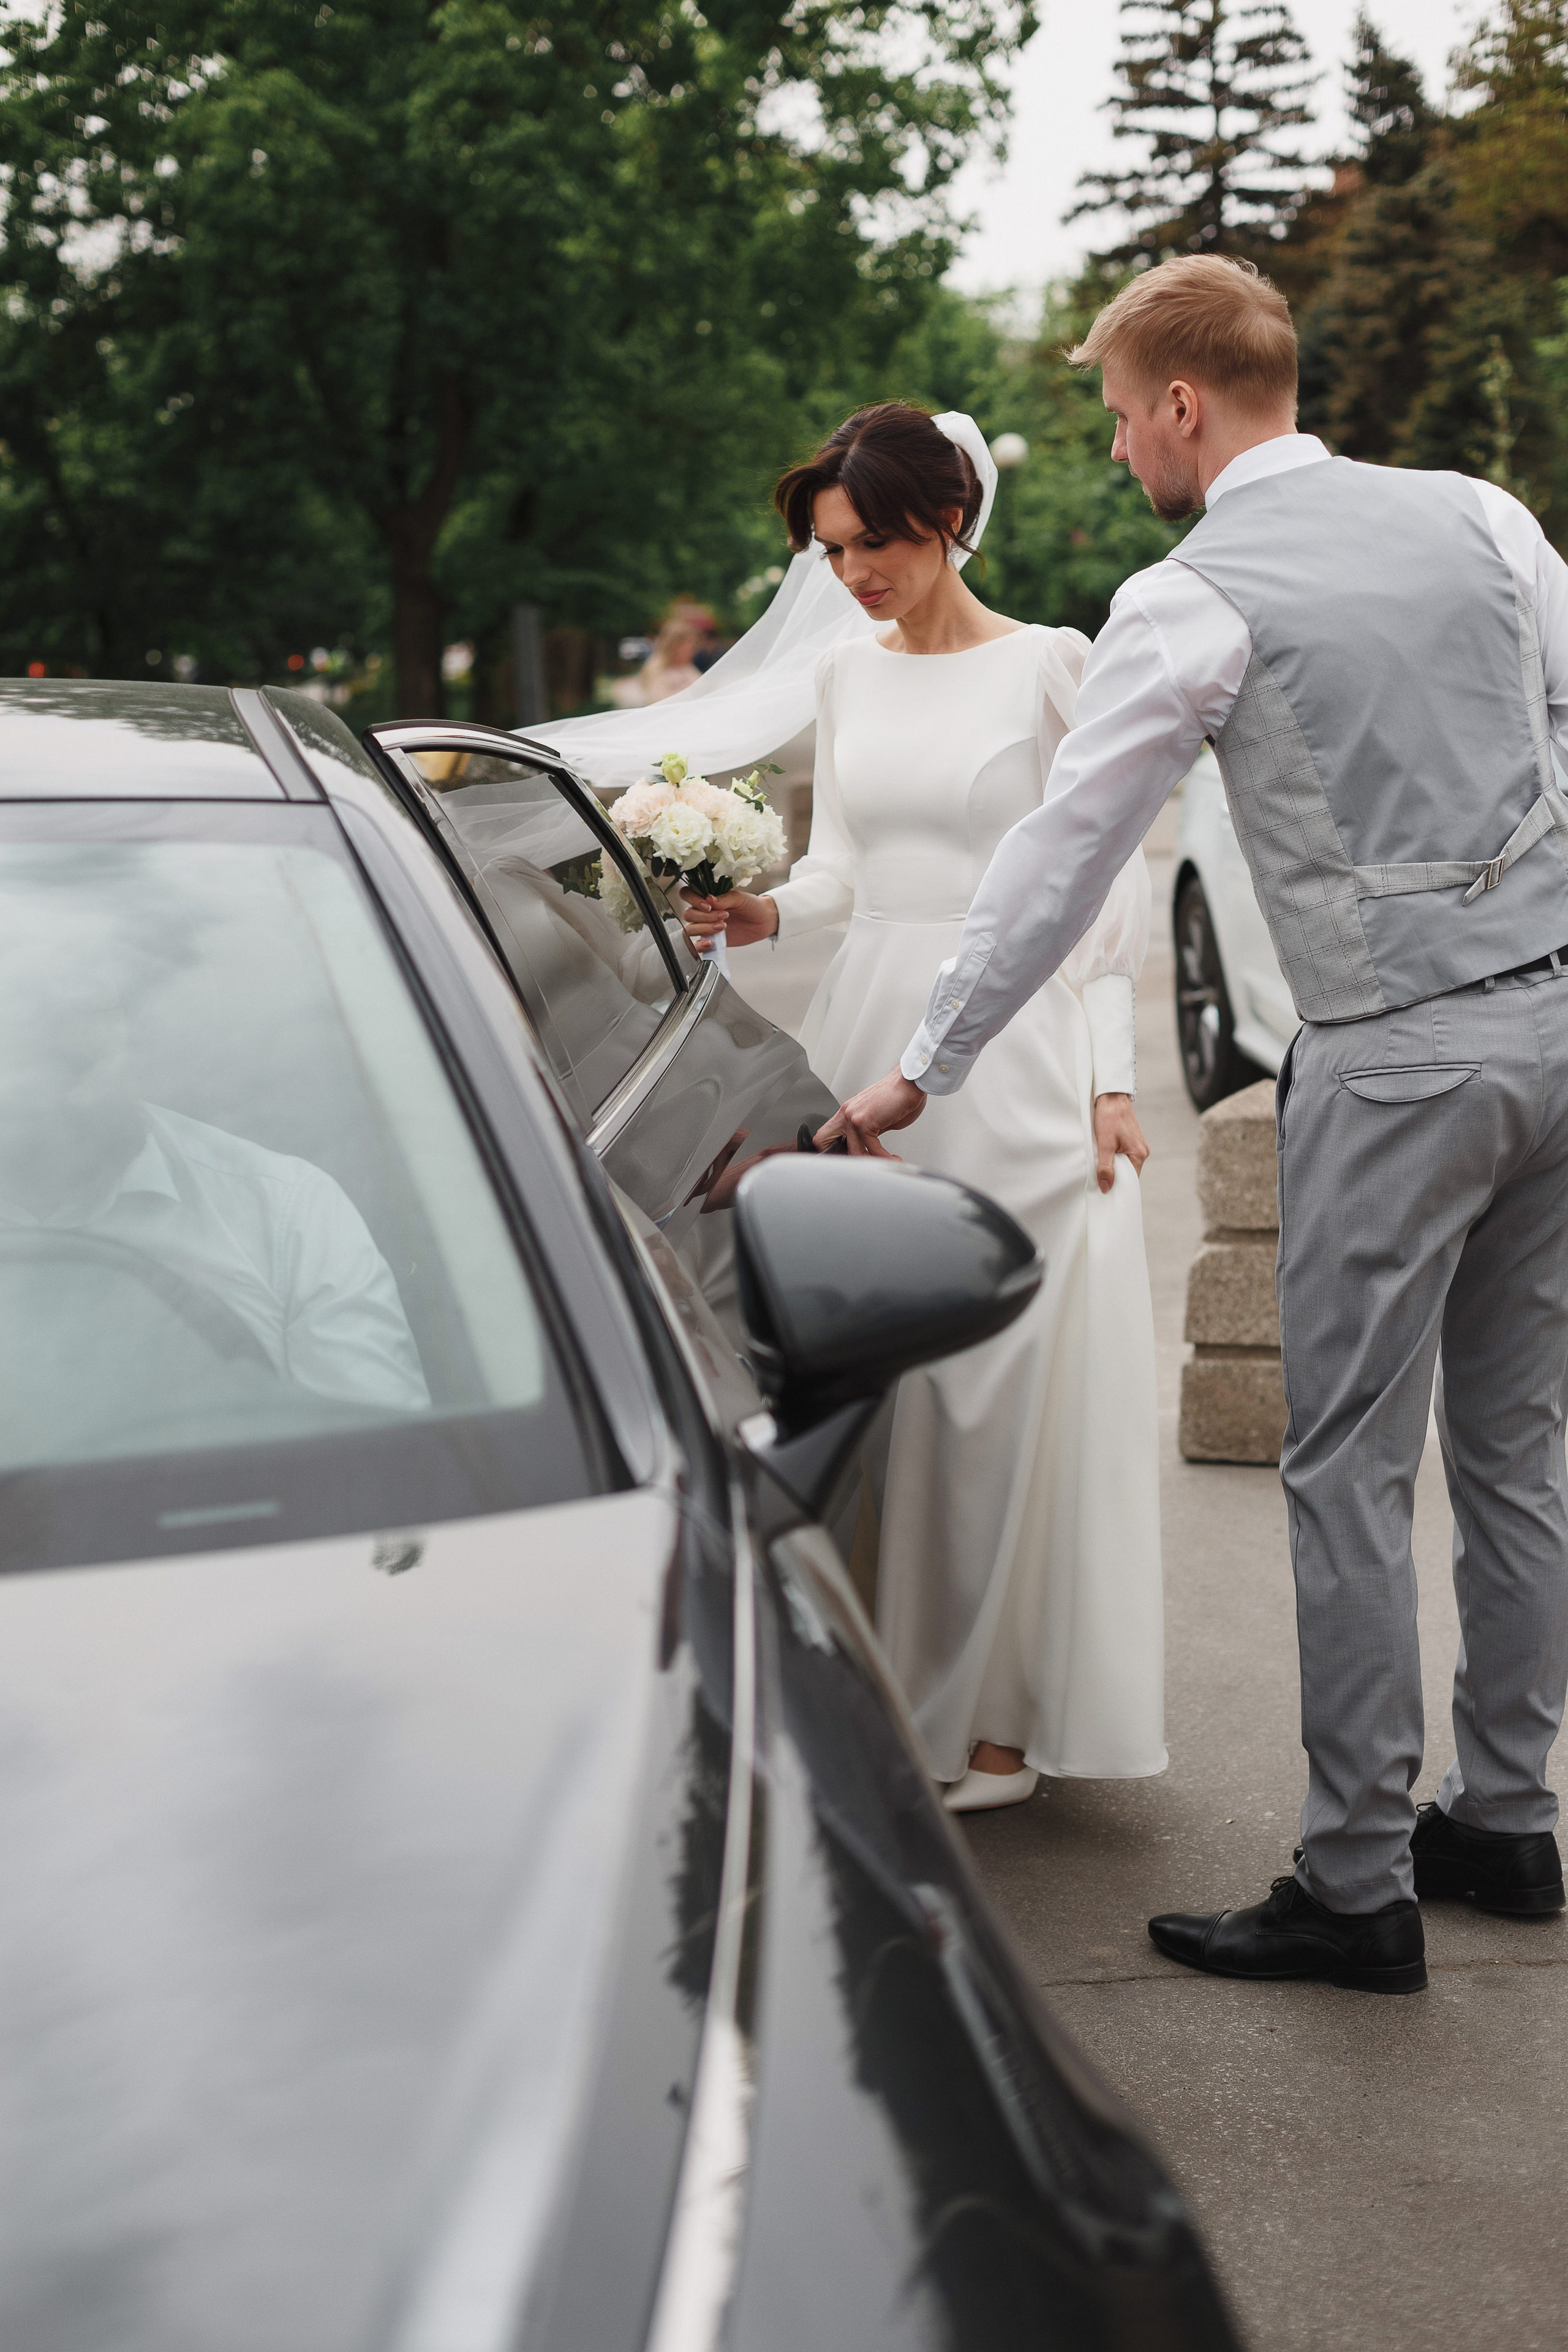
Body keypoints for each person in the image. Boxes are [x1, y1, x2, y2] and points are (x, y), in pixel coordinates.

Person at [821, 257, 1568, 1986]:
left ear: (1182, 404)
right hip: (1551, 1021)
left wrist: (924, 1061)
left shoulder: (1192, 596)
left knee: (1348, 1471)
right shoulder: (1486, 516)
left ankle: (1362, 1881)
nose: (1118, 454)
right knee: (1519, 1454)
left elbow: (1060, 858)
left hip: (1393, 1055)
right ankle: (1512, 1823)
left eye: (1116, 418)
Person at [681, 402, 1166, 1810]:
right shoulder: (843, 680)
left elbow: (1102, 886)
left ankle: (1001, 1727)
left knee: (994, 1390)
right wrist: (762, 907)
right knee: (869, 1379)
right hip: (865, 1043)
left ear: (947, 520)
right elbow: (845, 871)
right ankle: (887, 1692)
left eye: (873, 543)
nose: (850, 575)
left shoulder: (1047, 671)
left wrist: (1114, 1077)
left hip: (1013, 1055)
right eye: (831, 551)